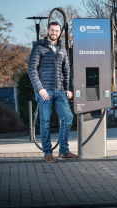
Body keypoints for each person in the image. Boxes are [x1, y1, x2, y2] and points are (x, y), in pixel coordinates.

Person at [28, 22, 80, 163]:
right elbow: (32, 70)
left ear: (59, 32)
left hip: (59, 91)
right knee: (45, 122)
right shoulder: (39, 47)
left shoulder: (62, 48)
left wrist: (68, 88)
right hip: (45, 91)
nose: (54, 33)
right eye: (52, 30)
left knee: (68, 118)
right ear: (47, 31)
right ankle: (47, 152)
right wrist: (40, 88)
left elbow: (66, 71)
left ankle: (63, 151)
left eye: (57, 31)